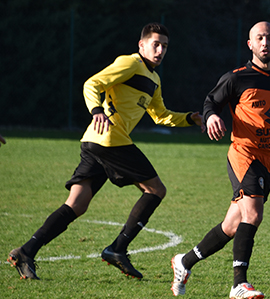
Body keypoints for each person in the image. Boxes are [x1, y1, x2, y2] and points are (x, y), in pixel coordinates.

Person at [7, 23, 204, 280]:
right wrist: (97, 110)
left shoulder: (154, 79)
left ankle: (26, 251)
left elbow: (161, 116)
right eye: (155, 44)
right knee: (156, 190)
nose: (160, 50)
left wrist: (190, 118)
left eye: (165, 46)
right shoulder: (130, 63)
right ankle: (117, 249)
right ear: (141, 45)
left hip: (94, 142)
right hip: (111, 140)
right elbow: (92, 84)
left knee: (77, 204)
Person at [169, 22, 270, 299]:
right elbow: (210, 103)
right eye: (259, 38)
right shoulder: (236, 78)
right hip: (244, 154)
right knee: (253, 214)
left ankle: (184, 262)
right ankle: (239, 283)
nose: (265, 43)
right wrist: (213, 116)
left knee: (232, 224)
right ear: (250, 44)